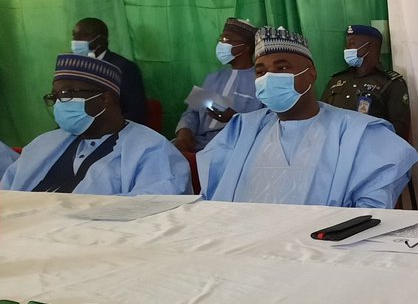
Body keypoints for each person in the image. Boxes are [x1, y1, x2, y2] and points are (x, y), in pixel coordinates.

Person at [198, 26, 418, 208]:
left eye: (282, 67)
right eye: (260, 71)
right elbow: (214, 203)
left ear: (311, 73)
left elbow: (371, 212)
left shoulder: (359, 133)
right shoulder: (242, 130)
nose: (269, 77)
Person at [1, 54, 190, 195]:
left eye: (67, 94)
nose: (59, 103)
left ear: (106, 98)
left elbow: (158, 211)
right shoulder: (43, 144)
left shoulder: (151, 149)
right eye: (55, 96)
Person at [174, 17, 263, 152]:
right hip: (199, 143)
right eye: (221, 40)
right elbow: (192, 112)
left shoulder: (259, 80)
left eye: (227, 40)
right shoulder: (213, 78)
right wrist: (184, 130)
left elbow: (266, 121)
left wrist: (235, 118)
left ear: (246, 47)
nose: (221, 44)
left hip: (236, 146)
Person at [321, 25, 411, 141]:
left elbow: (399, 132)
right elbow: (321, 119)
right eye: (347, 44)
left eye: (351, 44)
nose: (347, 49)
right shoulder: (336, 81)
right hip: (334, 150)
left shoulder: (391, 84)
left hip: (371, 153)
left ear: (370, 47)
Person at [72, 17, 148, 124]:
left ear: (101, 39)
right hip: (77, 129)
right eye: (74, 35)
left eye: (85, 35)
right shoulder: (74, 67)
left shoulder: (123, 68)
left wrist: (100, 128)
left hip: (113, 131)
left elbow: (135, 112)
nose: (76, 40)